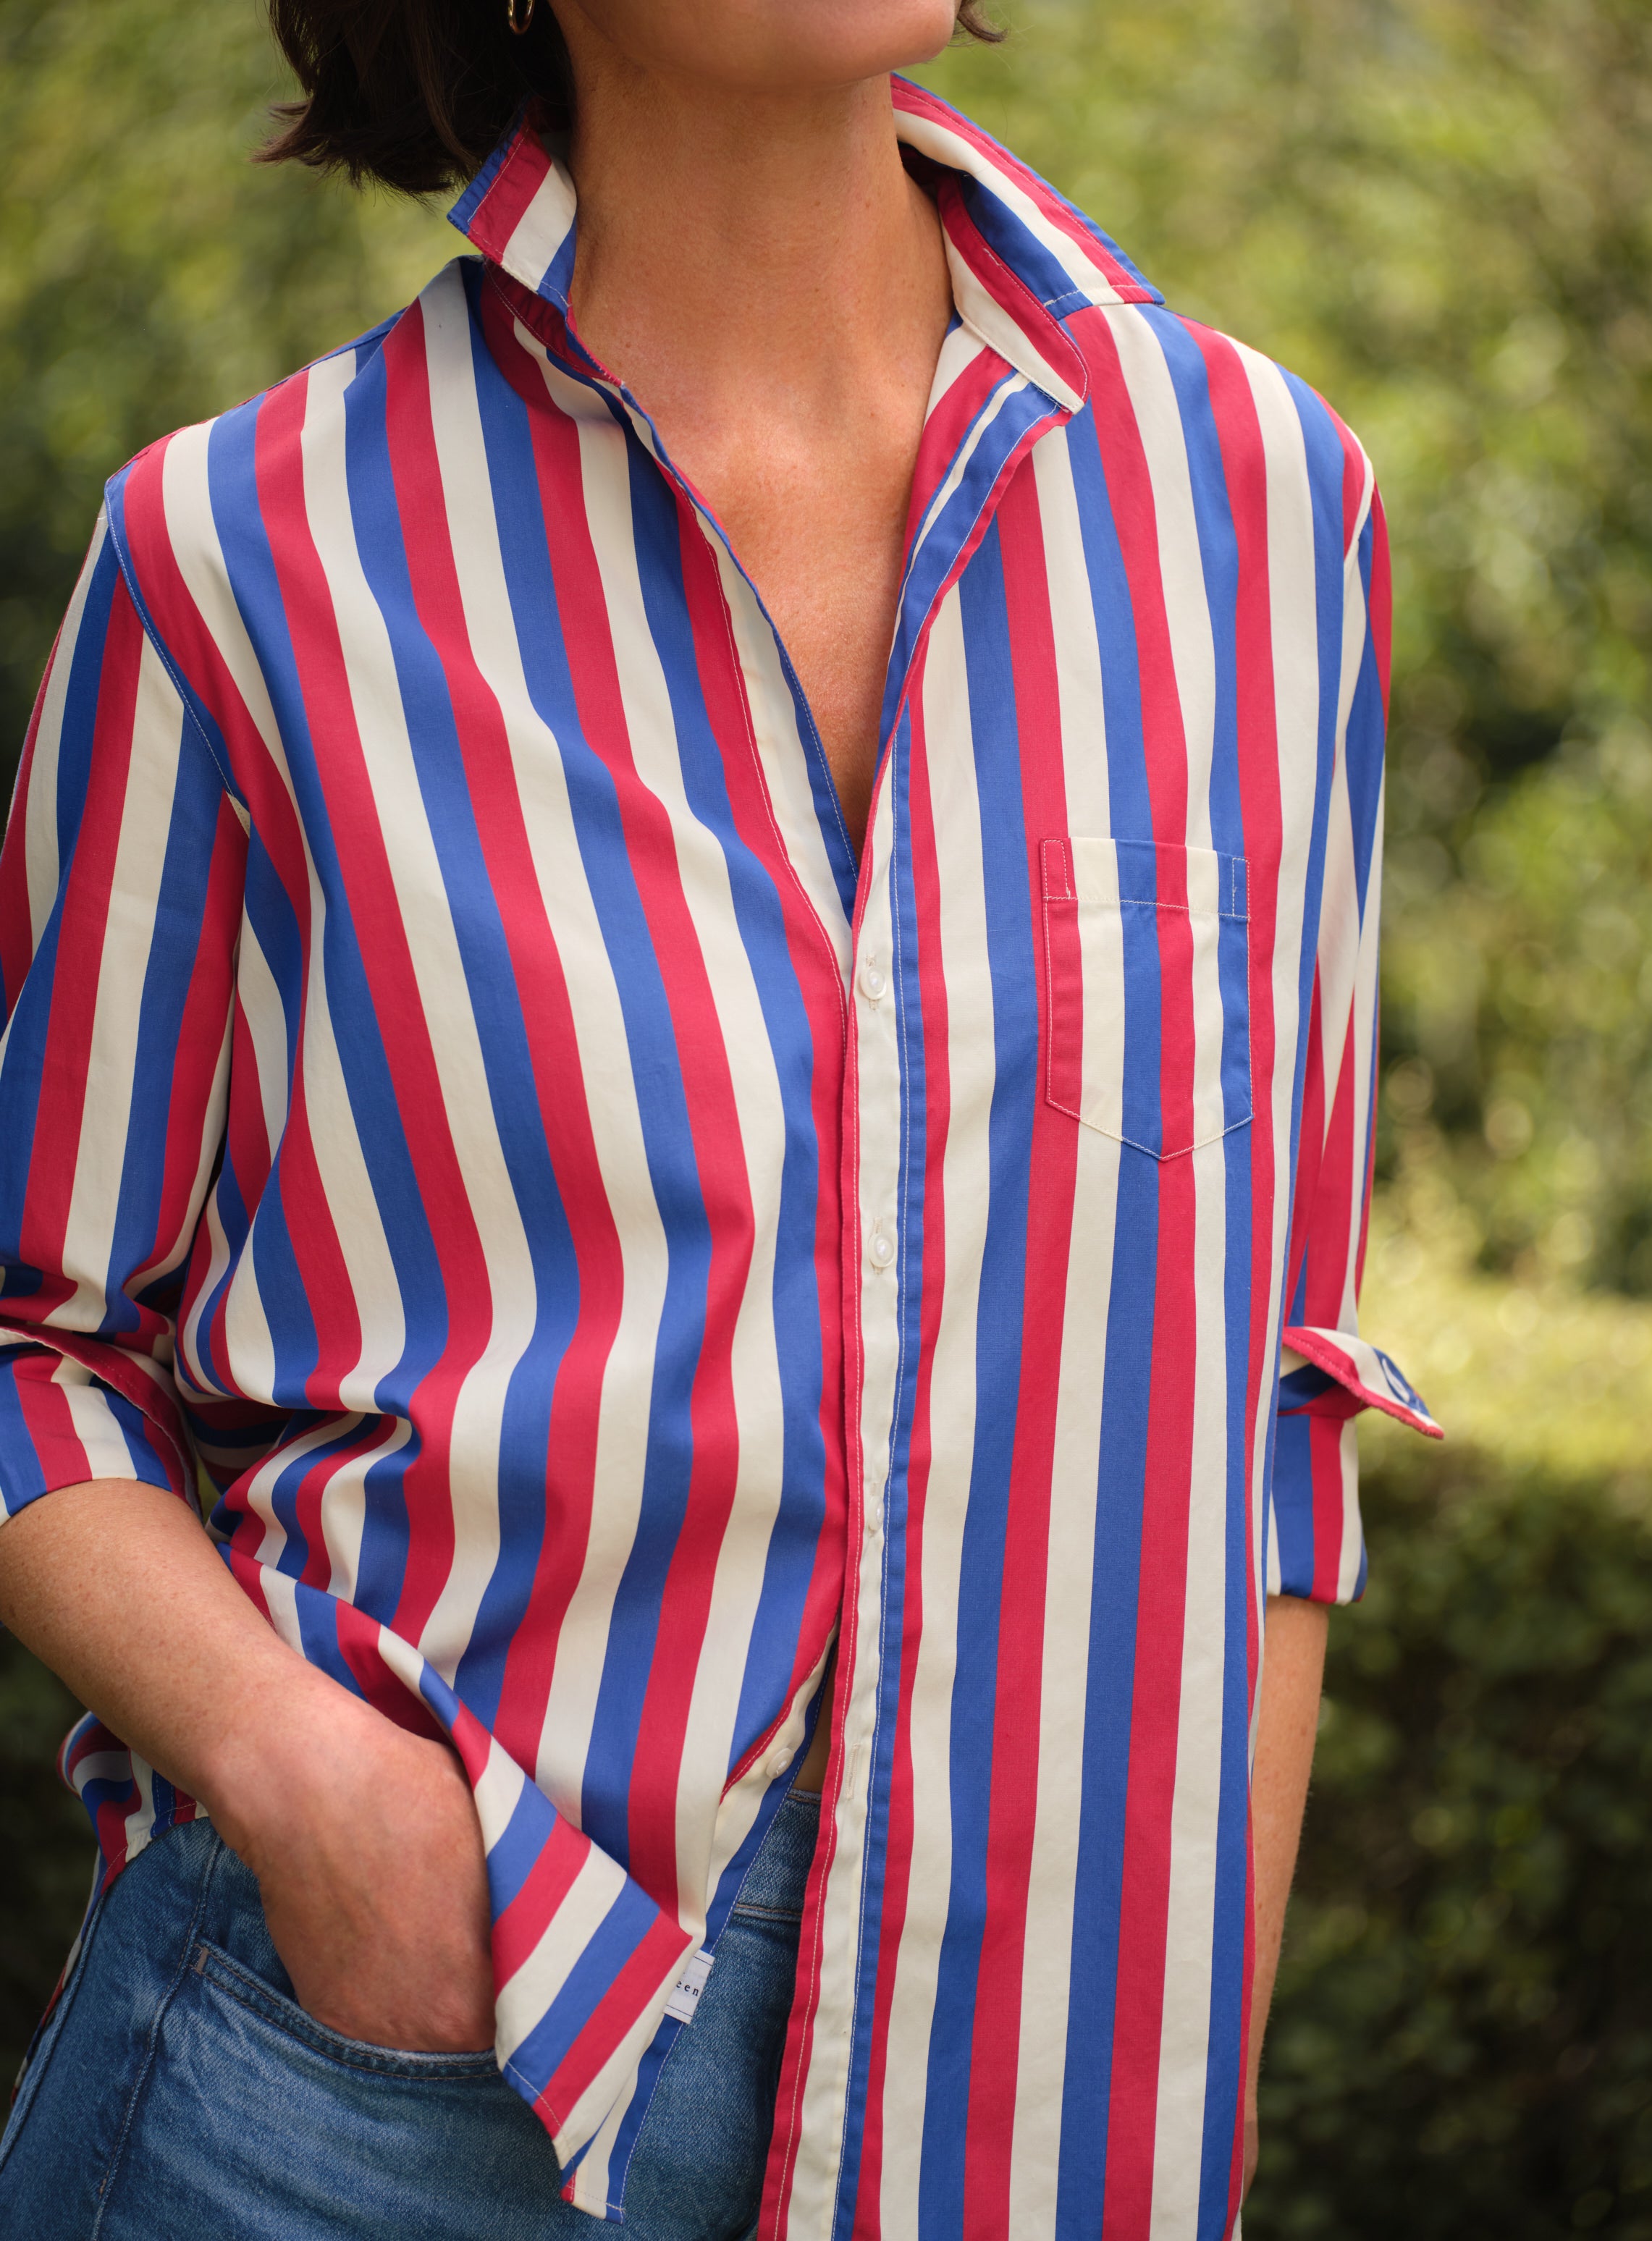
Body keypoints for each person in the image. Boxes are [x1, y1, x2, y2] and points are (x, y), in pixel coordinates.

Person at [0, 0, 1441, 2234]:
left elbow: (1267, 1393)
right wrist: (302, 1780)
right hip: (377, 2078)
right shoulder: (246, 559)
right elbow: (33, 1334)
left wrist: (1170, 2074)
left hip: (1020, 2116)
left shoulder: (1256, 509)